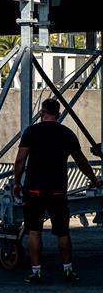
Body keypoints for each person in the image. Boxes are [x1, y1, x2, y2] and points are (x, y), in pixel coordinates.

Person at [13, 98, 102, 283]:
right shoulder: (67, 134)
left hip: (34, 190)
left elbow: (20, 159)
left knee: (35, 231)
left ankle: (36, 272)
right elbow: (81, 160)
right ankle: (68, 270)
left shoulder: (31, 132)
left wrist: (16, 182)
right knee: (62, 232)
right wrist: (94, 179)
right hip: (58, 191)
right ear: (59, 114)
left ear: (41, 113)